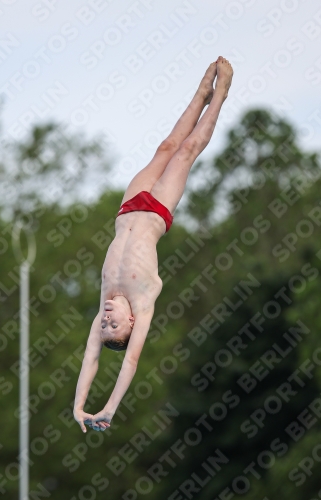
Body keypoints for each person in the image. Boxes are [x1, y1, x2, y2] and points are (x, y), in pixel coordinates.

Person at [73, 56, 233, 433]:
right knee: (188, 150)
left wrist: (78, 405)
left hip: (129, 207)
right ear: (129, 322)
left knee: (166, 146)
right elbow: (128, 363)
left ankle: (201, 91)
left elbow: (89, 360)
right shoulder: (142, 306)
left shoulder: (106, 303)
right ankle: (221, 93)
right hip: (157, 209)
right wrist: (108, 408)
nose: (107, 318)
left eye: (104, 324)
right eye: (114, 324)